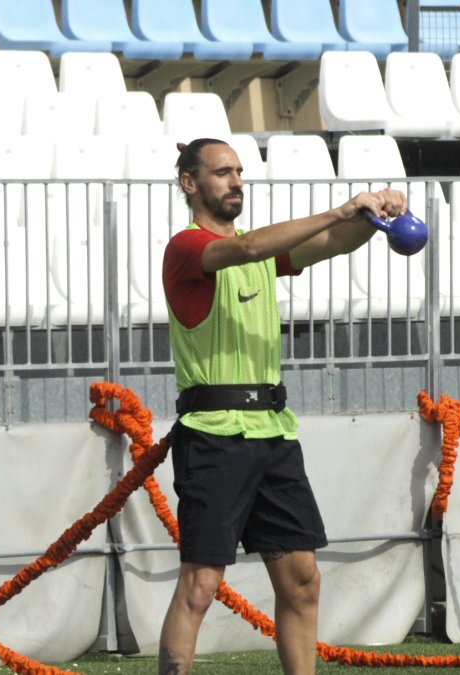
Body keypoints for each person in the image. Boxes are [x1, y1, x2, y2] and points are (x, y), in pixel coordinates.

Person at [158, 138, 407, 675]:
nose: (236, 181)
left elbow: (334, 243)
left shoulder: (260, 249)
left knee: (303, 582)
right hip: (213, 434)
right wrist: (342, 205)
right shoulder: (187, 248)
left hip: (273, 433)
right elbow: (249, 250)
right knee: (200, 587)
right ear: (189, 183)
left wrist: (376, 215)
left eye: (240, 171)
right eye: (222, 172)